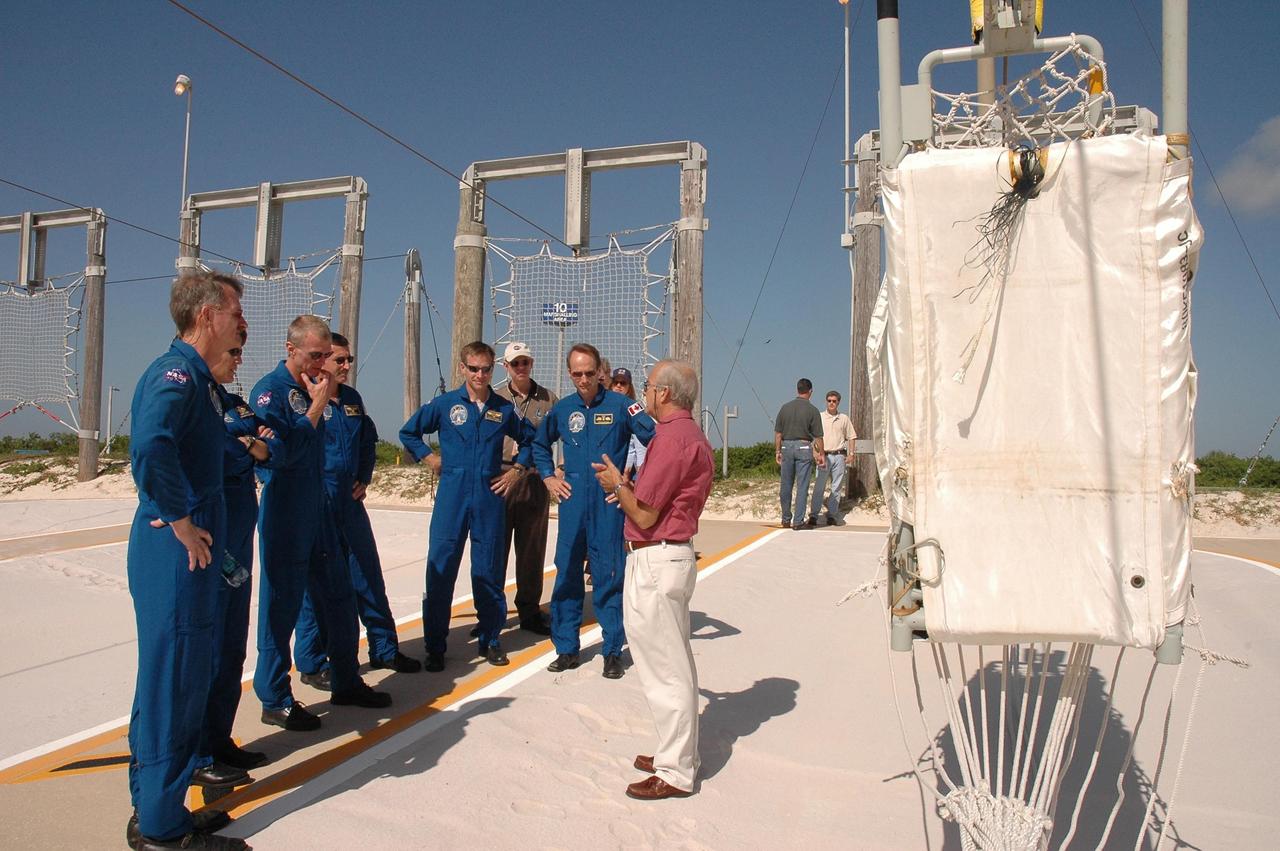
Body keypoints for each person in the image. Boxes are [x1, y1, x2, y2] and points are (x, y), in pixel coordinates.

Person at [124, 270, 249, 850]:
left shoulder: (201, 381)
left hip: (187, 552)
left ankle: (153, 806)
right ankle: (163, 831)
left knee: (165, 681)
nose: (241, 323)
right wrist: (178, 517)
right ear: (205, 316)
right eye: (234, 313)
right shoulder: (176, 374)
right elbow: (150, 444)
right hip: (178, 554)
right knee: (175, 682)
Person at [251, 315, 390, 733]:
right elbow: (278, 453)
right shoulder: (270, 393)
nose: (322, 363)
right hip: (287, 512)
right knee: (280, 607)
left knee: (340, 598)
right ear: (291, 350)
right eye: (315, 355)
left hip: (324, 509)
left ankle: (346, 680)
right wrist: (314, 406)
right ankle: (275, 697)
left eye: (326, 356)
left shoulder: (330, 393)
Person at [591, 359, 714, 800]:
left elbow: (644, 512)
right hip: (670, 557)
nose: (642, 392)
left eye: (646, 386)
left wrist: (616, 484)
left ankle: (677, 770)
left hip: (657, 558)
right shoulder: (690, 436)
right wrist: (630, 488)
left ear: (662, 393)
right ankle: (674, 752)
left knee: (666, 670)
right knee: (672, 662)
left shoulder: (671, 439)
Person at [293, 333, 422, 680]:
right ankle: (314, 662)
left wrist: (364, 477)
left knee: (368, 576)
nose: (347, 366)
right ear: (322, 361)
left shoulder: (352, 400)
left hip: (350, 505)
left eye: (349, 359)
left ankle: (384, 649)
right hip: (318, 507)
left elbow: (368, 440)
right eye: (340, 360)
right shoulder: (305, 398)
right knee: (317, 589)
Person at [399, 341, 535, 672]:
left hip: (489, 497)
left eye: (486, 369)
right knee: (441, 569)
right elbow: (409, 432)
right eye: (473, 368)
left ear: (493, 370)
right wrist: (429, 457)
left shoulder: (503, 409)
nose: (479, 374)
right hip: (452, 497)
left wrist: (517, 471)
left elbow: (532, 439)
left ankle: (491, 639)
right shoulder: (445, 405)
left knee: (487, 570)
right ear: (462, 368)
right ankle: (435, 645)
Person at [533, 343, 655, 679]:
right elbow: (539, 444)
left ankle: (612, 650)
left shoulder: (622, 406)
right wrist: (547, 477)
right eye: (577, 373)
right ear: (570, 373)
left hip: (608, 506)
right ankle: (567, 648)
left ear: (600, 370)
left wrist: (635, 487)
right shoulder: (563, 409)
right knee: (567, 574)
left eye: (589, 373)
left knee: (609, 576)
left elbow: (655, 440)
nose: (584, 379)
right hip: (572, 504)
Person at [196, 334, 277, 779]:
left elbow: (270, 448)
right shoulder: (198, 401)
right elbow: (225, 448)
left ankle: (220, 738)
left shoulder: (236, 403)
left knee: (231, 644)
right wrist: (247, 444)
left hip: (242, 527)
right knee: (206, 645)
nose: (238, 359)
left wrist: (248, 443)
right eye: (232, 352)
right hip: (216, 526)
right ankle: (199, 752)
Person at [493, 341, 557, 635]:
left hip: (532, 479)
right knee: (495, 549)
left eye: (525, 362)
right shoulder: (494, 398)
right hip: (501, 477)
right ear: (505, 366)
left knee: (531, 550)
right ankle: (491, 614)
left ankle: (529, 611)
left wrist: (559, 471)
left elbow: (563, 436)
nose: (521, 368)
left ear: (531, 364)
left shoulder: (548, 399)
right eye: (515, 363)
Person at [774, 378, 825, 529]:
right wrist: (821, 454)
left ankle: (785, 518)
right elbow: (818, 437)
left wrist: (777, 450)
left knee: (786, 485)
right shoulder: (813, 410)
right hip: (803, 446)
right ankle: (798, 521)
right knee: (802, 486)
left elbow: (778, 433)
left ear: (797, 390)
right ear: (810, 391)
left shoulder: (785, 408)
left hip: (786, 446)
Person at [808, 390, 857, 526]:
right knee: (819, 487)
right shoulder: (820, 417)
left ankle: (832, 515)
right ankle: (813, 515)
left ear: (838, 402)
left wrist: (851, 454)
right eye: (829, 400)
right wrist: (815, 454)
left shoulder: (844, 418)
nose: (831, 403)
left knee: (836, 488)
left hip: (839, 455)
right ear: (826, 401)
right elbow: (813, 437)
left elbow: (852, 436)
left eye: (834, 401)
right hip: (824, 456)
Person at [610, 368, 647, 481]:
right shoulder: (604, 409)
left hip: (626, 472)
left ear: (629, 387)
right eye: (616, 382)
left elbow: (640, 444)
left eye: (623, 383)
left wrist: (641, 472)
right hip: (607, 468)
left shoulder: (634, 409)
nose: (619, 386)